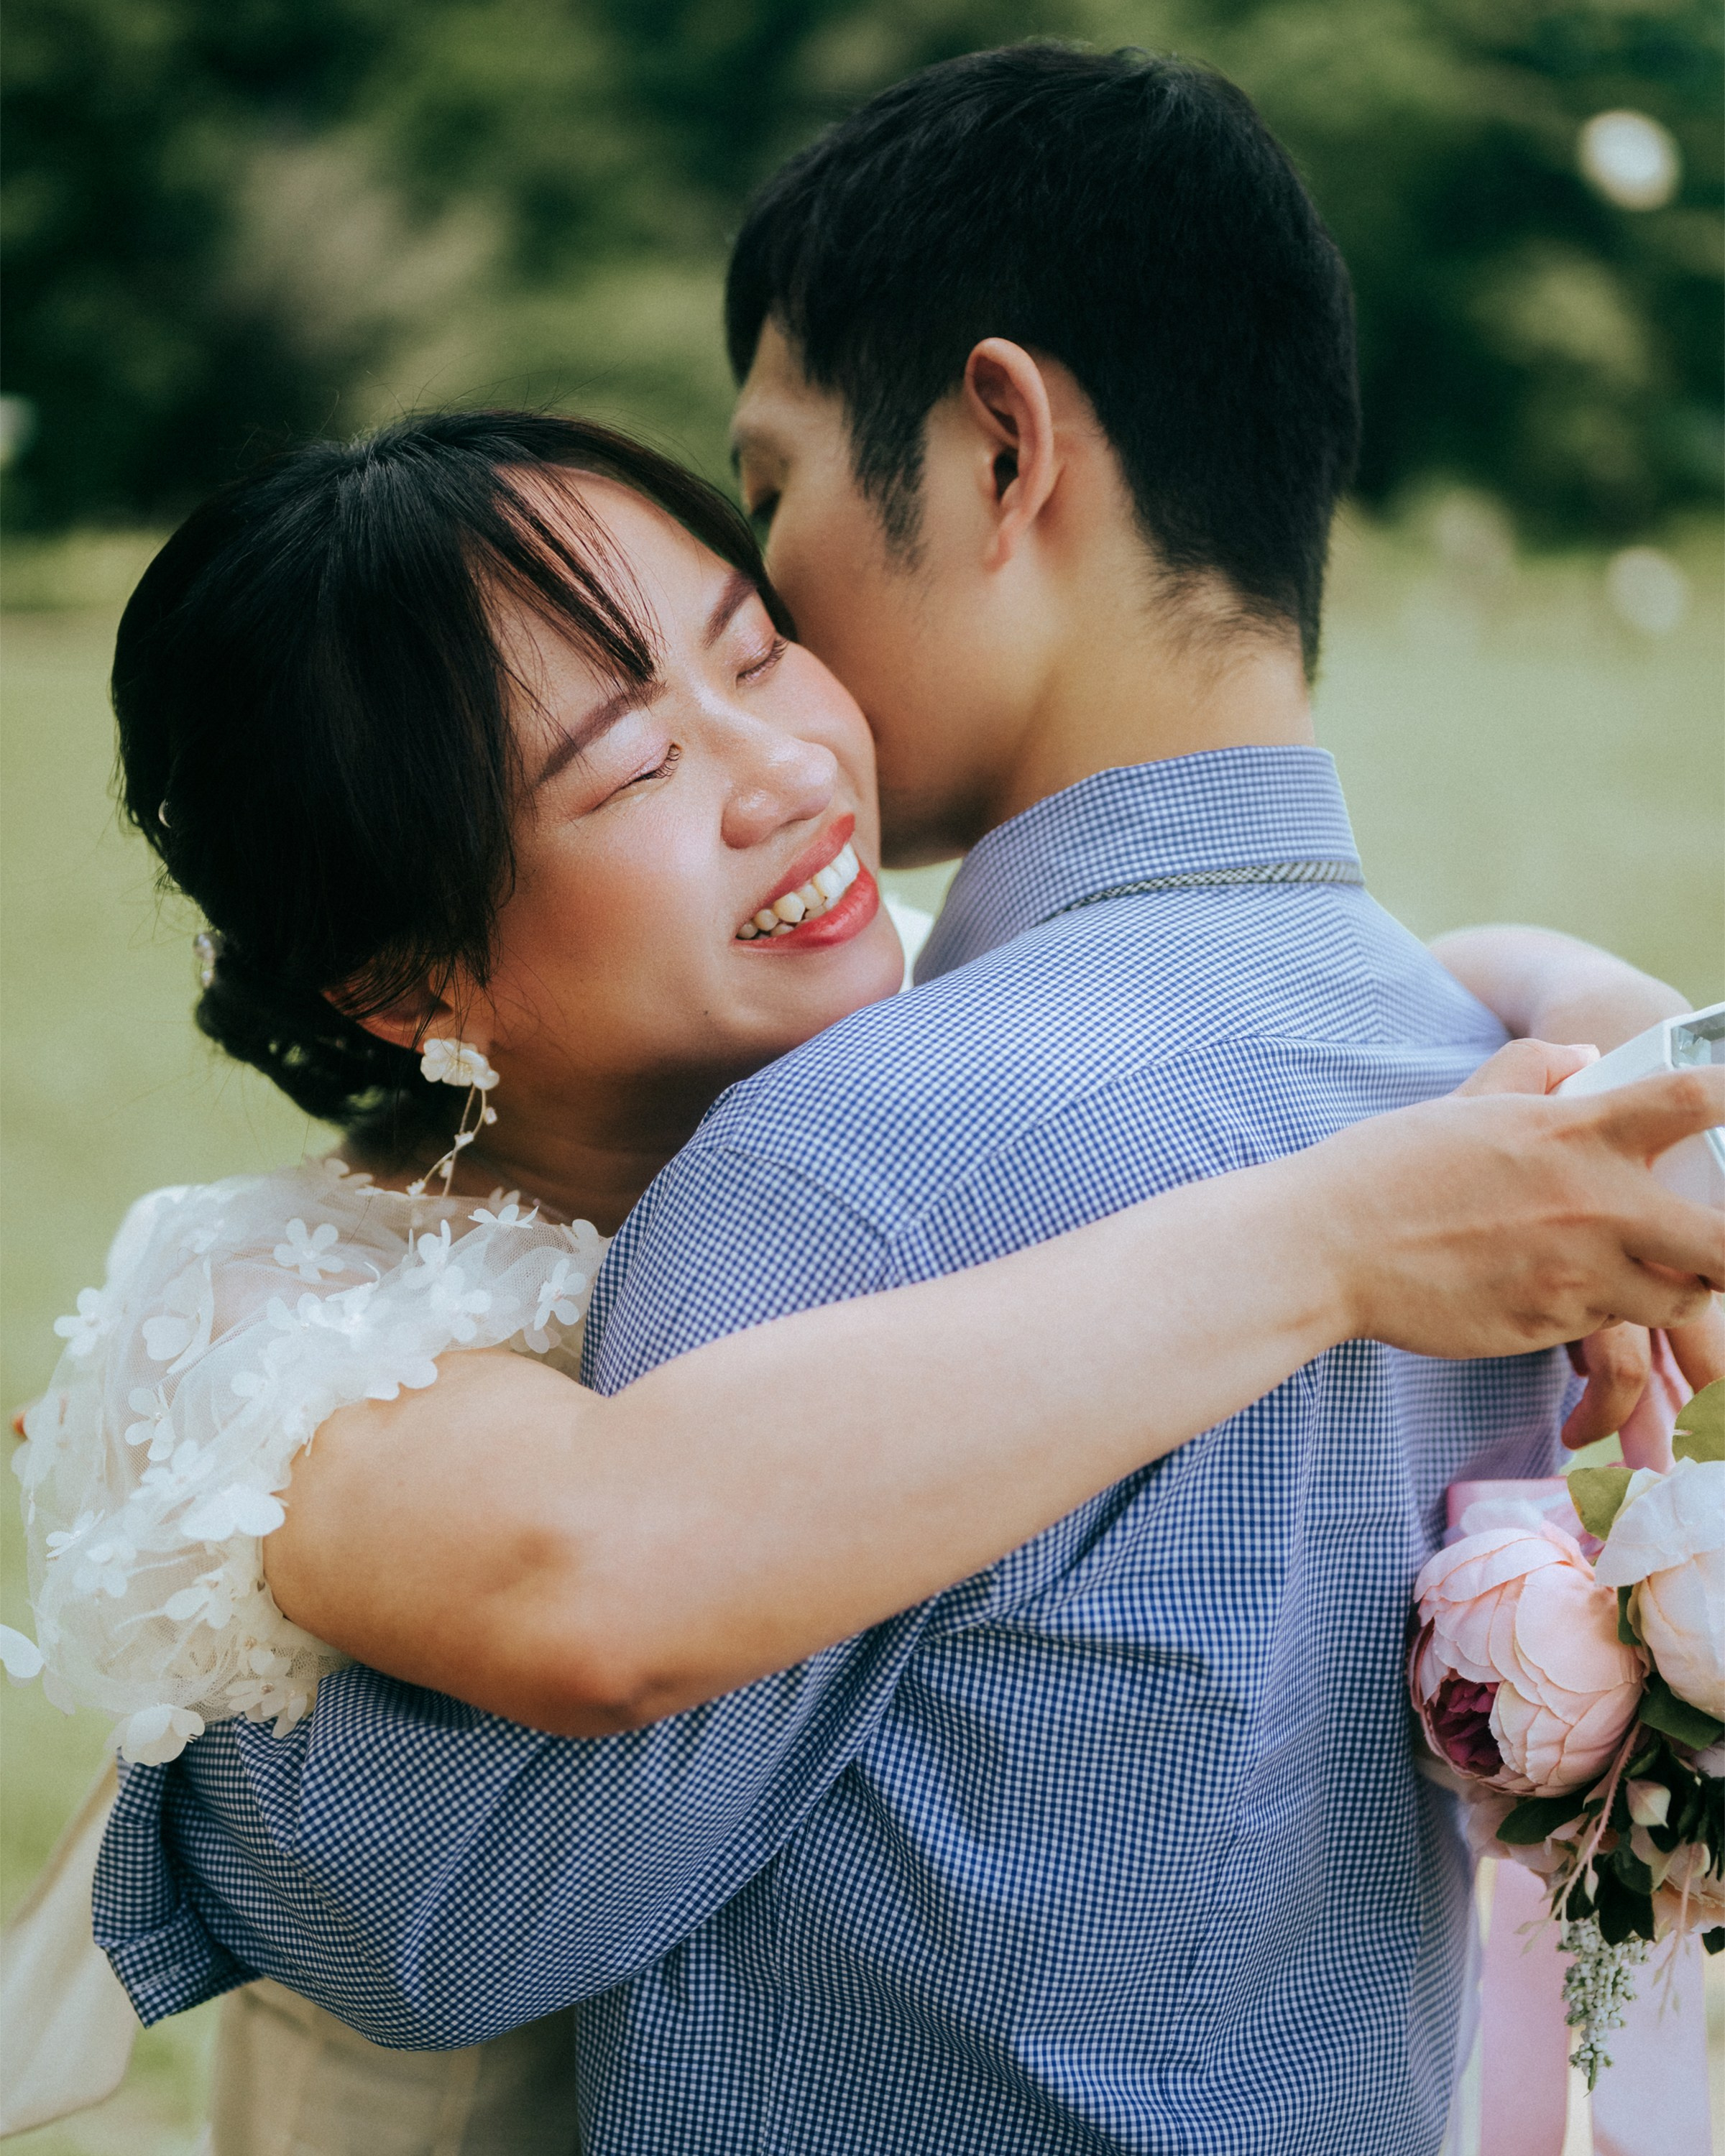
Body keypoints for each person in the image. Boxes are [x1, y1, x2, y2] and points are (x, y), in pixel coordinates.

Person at [29, 46, 1721, 2156]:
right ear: (409, 980)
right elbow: (581, 1605)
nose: (785, 753)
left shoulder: (859, 1166)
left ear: (1002, 449)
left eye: (759, 572)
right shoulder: (1432, 1085)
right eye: (635, 764)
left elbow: (420, 1905)